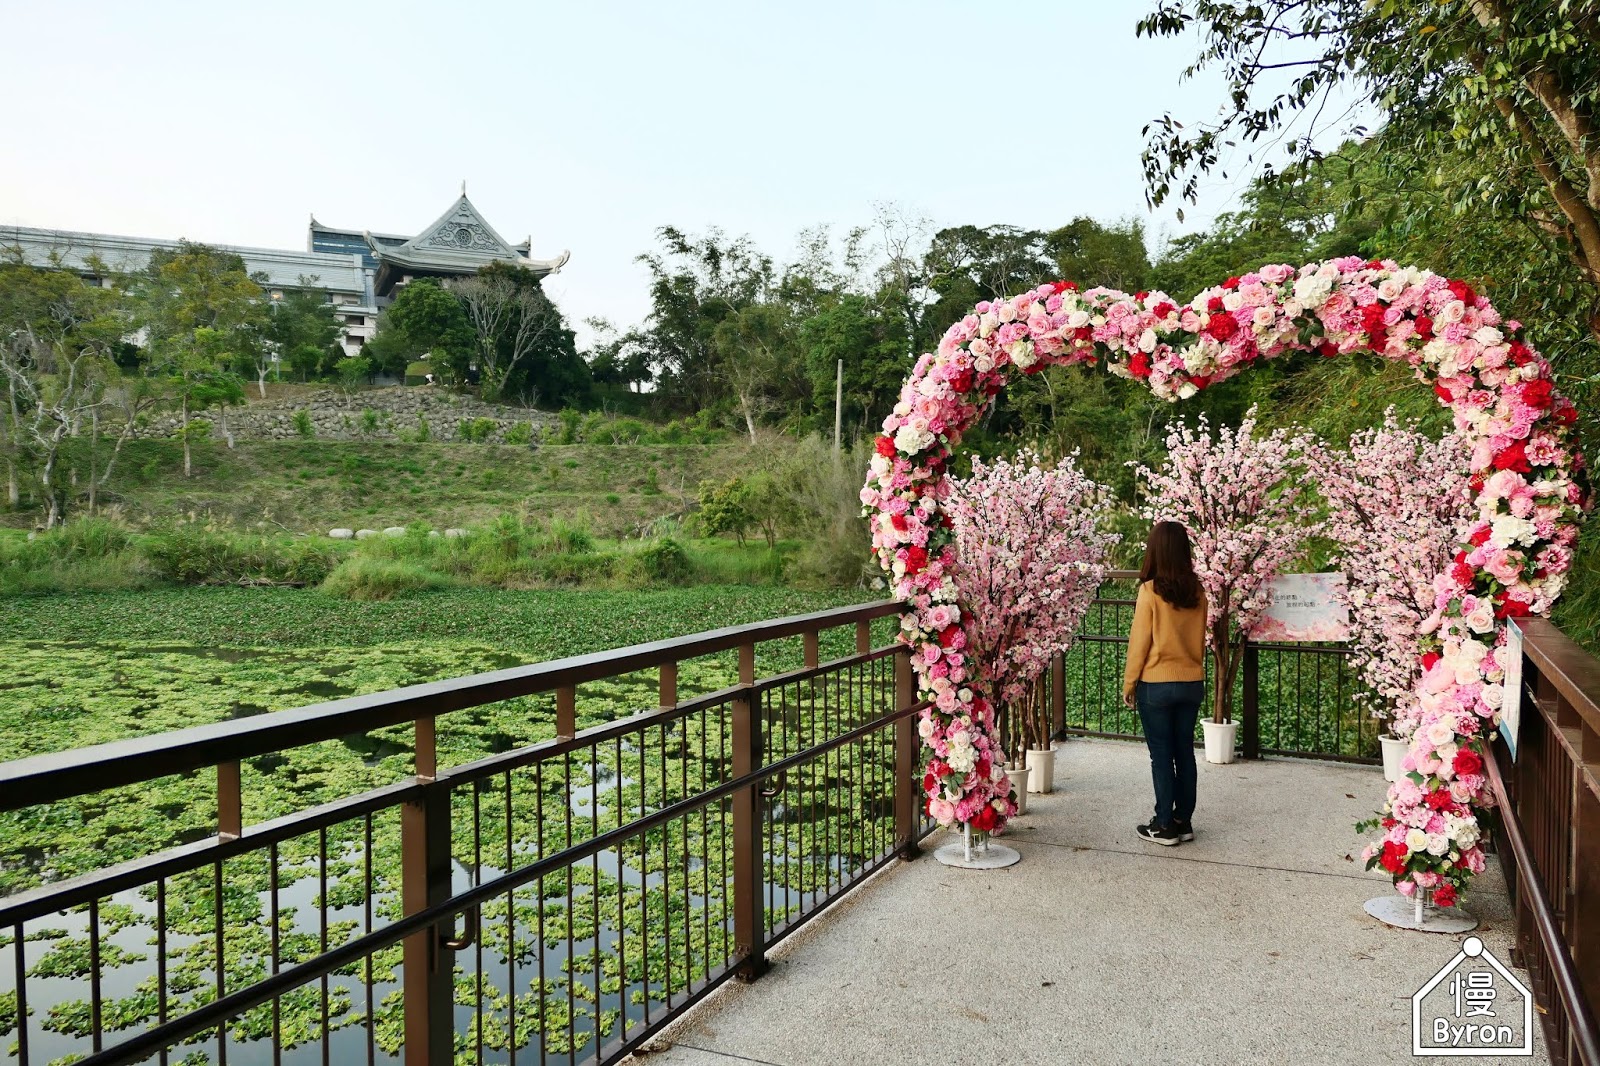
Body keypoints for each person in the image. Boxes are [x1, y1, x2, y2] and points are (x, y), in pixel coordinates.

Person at [1122, 520, 1208, 847]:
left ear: (1156, 550)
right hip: (1191, 682)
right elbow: (1200, 641)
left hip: (1156, 685)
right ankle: (1182, 821)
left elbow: (1139, 643)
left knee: (1161, 755)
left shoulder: (1150, 591)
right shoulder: (1198, 592)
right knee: (1184, 752)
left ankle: (1163, 825)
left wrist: (1130, 684)